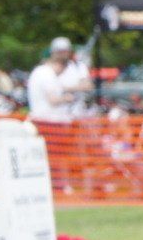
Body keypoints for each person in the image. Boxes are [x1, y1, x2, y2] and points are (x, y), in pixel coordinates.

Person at [28, 37, 94, 193]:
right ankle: (59, 185)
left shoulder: (49, 72)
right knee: (56, 156)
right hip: (50, 120)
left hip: (56, 120)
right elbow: (53, 99)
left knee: (58, 155)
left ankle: (61, 184)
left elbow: (86, 85)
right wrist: (68, 97)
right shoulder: (46, 73)